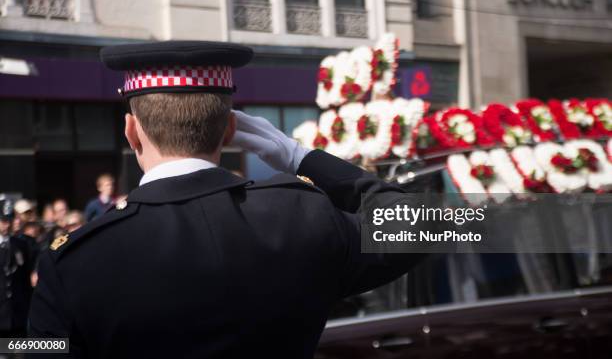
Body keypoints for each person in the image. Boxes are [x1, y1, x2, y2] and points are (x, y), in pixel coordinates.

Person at [28, 41, 425, 358]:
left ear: (131, 132)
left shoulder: (75, 262)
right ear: (232, 127)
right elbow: (442, 226)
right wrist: (299, 156)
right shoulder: (303, 218)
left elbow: (44, 348)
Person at [0, 205, 33, 337]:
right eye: (2, 221)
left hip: (17, 313)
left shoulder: (20, 245)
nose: (6, 225)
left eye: (9, 221)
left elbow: (25, 276)